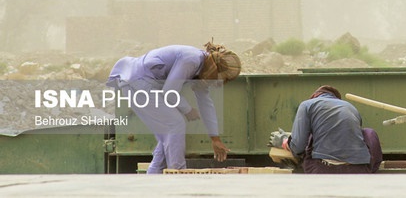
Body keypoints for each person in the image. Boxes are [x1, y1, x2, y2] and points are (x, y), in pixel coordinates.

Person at [106, 40, 241, 174]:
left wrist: (215, 138)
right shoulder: (192, 60)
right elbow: (169, 92)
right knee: (175, 124)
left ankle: (152, 182)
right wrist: (188, 110)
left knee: (167, 139)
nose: (216, 83)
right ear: (213, 68)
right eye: (218, 78)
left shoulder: (201, 70)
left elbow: (206, 103)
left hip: (137, 84)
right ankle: (177, 174)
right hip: (138, 83)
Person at [270, 85, 382, 174]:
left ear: (315, 96)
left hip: (324, 169)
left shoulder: (307, 105)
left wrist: (285, 141)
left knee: (310, 138)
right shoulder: (350, 107)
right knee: (368, 132)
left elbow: (298, 147)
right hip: (359, 170)